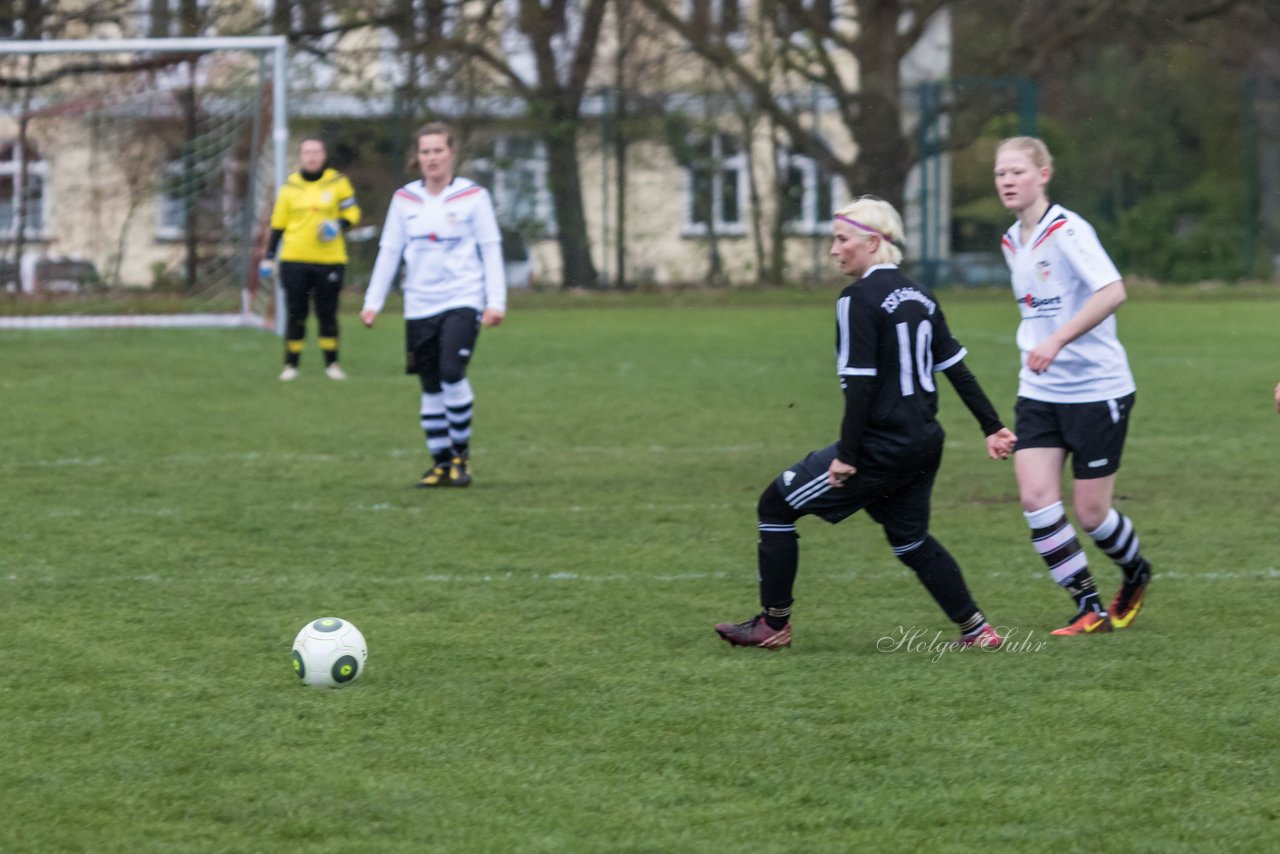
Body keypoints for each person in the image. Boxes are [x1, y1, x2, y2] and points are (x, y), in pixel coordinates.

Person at [715, 196, 1017, 651]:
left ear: (873, 242)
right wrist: (992, 426)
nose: (834, 250)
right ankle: (977, 630)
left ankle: (773, 625)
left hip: (880, 447)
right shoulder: (921, 295)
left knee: (775, 507)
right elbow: (956, 369)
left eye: (841, 239)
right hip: (924, 443)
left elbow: (860, 388)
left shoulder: (856, 299)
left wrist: (847, 457)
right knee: (909, 539)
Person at [994, 136, 1153, 637]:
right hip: (1041, 390)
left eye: (1017, 171)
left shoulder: (1066, 229)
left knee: (1091, 513)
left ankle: (1135, 571)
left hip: (1098, 389)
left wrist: (1057, 339)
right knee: (1036, 497)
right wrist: (1042, 348)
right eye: (1000, 174)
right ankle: (1088, 605)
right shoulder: (1010, 241)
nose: (1007, 181)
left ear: (1044, 174)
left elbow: (1113, 291)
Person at [360, 122, 506, 488]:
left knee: (451, 372)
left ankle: (461, 457)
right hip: (418, 304)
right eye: (425, 152)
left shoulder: (474, 196)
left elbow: (490, 248)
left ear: (451, 153)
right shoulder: (404, 200)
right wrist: (372, 301)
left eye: (438, 150)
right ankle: (441, 464)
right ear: (418, 157)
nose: (431, 158)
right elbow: (390, 251)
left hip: (462, 298)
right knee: (429, 386)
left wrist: (495, 301)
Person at [260, 138, 362, 381]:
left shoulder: (338, 183)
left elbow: (353, 213)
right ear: (301, 156)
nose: (312, 156)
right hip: (294, 259)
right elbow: (278, 225)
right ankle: (291, 365)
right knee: (296, 313)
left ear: (324, 155)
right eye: (307, 152)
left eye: (316, 151)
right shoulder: (289, 188)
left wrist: (338, 225)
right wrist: (269, 257)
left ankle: (332, 364)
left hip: (330, 260)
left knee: (327, 312)